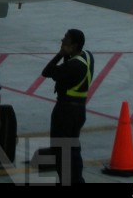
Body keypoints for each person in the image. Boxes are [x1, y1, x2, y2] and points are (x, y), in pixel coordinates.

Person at [41, 28, 94, 185]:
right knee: (73, 148)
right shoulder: (87, 57)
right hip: (79, 110)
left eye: (66, 40)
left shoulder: (73, 66)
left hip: (65, 111)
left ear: (74, 46)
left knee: (60, 150)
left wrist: (59, 55)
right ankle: (76, 180)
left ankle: (67, 180)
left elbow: (46, 72)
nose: (62, 42)